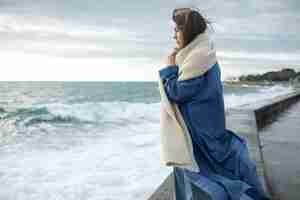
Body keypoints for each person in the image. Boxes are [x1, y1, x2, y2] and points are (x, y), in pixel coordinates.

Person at [158, 8, 269, 200]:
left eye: (178, 29)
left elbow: (177, 92)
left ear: (189, 30)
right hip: (208, 130)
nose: (174, 35)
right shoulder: (203, 53)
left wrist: (169, 68)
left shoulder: (197, 58)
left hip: (203, 138)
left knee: (214, 182)